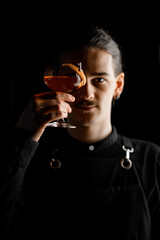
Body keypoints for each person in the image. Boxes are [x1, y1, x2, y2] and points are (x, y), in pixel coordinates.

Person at [0, 24, 160, 240]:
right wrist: (23, 136)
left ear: (118, 85)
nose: (86, 92)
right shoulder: (32, 159)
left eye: (99, 80)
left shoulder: (152, 160)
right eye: (74, 79)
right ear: (58, 83)